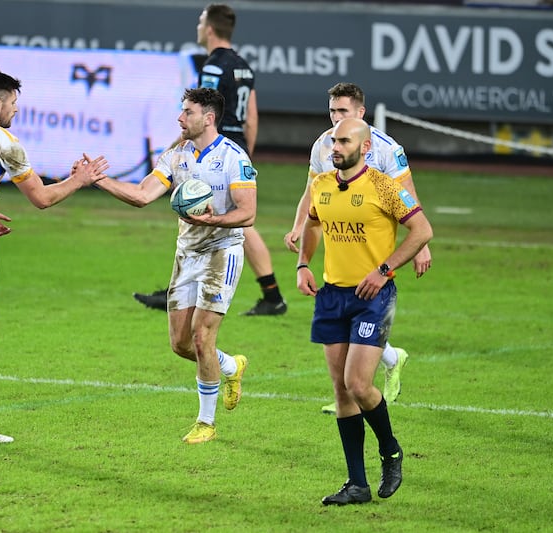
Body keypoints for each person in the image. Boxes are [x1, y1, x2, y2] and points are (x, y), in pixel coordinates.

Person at [0, 69, 109, 453]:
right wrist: (81, 179)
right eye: (13, 104)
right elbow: (41, 198)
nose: (15, 111)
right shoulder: (4, 141)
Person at [95, 87, 255, 443]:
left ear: (208, 118)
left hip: (222, 251)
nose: (180, 119)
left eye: (187, 112)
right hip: (187, 255)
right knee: (181, 344)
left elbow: (248, 212)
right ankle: (231, 366)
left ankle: (206, 423)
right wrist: (99, 180)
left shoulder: (232, 157)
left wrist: (215, 220)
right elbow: (142, 195)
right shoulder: (177, 155)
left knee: (202, 337)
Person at [296, 118, 433, 505]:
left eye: (343, 141)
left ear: (365, 147)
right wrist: (303, 264)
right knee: (341, 391)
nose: (334, 147)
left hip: (373, 296)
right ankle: (357, 484)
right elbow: (311, 224)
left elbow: (422, 231)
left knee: (359, 384)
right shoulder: (322, 185)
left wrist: (384, 270)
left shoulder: (385, 188)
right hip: (331, 296)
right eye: (332, 141)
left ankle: (390, 451)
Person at [285, 82, 432, 413]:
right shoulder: (324, 145)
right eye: (332, 111)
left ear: (360, 113)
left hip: (375, 245)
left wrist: (421, 245)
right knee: (347, 309)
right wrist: (299, 226)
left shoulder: (385, 149)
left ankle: (359, 388)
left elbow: (405, 190)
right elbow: (312, 192)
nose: (336, 118)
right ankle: (358, 385)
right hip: (341, 235)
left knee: (362, 307)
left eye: (343, 112)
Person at [134, 3, 287, 316]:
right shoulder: (244, 65)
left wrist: (175, 147)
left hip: (215, 146)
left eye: (200, 22)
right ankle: (269, 294)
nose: (197, 27)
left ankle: (184, 289)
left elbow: (201, 116)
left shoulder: (214, 66)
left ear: (210, 29)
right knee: (236, 224)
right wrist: (246, 153)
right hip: (237, 144)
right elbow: (252, 115)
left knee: (198, 212)